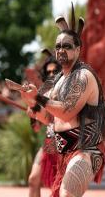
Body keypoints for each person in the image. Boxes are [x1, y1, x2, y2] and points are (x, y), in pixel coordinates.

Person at [20, 4, 105, 197]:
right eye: (58, 46)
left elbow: (68, 111)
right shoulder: (58, 81)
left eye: (67, 46)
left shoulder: (83, 76)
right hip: (62, 152)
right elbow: (49, 119)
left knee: (67, 194)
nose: (61, 50)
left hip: (86, 150)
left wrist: (38, 97)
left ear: (78, 49)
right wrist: (31, 104)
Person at [28, 51, 61, 197]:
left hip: (66, 145)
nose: (52, 74)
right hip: (49, 144)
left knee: (60, 189)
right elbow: (36, 128)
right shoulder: (42, 95)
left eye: (55, 71)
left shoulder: (68, 91)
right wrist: (33, 112)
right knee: (33, 179)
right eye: (49, 72)